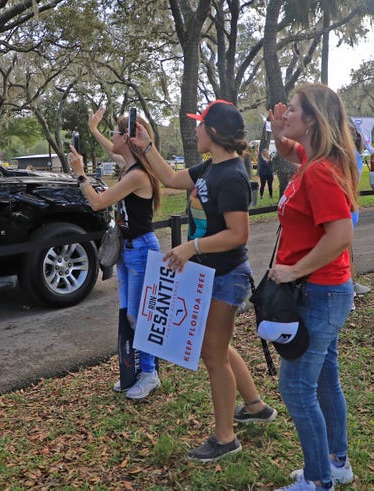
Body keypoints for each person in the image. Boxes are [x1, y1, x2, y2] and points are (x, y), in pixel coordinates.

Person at [131, 100, 277, 462]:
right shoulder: (212, 168)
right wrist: (146, 145)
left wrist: (190, 247)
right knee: (216, 347)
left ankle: (225, 438)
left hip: (227, 275)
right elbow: (168, 177)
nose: (195, 130)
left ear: (212, 131)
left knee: (213, 354)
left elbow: (238, 234)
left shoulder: (231, 175)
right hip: (210, 273)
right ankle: (255, 406)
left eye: (199, 125)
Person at [268, 84, 358, 490]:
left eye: (294, 110)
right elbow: (286, 149)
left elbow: (339, 235)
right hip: (326, 291)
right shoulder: (312, 158)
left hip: (319, 292)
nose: (287, 113)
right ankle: (337, 462)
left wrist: (293, 270)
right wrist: (276, 129)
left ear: (312, 121)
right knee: (324, 379)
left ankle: (320, 481)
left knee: (296, 387)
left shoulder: (321, 171)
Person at [71, 108, 162, 400]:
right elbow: (112, 149)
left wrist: (81, 175)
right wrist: (94, 128)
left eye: (114, 131)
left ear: (128, 137)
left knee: (139, 316)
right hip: (127, 252)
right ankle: (133, 371)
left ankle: (150, 373)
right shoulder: (128, 165)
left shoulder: (137, 175)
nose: (111, 137)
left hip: (142, 251)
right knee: (128, 314)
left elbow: (98, 203)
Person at [348, 125, 370, 297]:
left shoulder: (351, 156)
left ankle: (350, 285)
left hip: (347, 207)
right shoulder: (352, 155)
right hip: (348, 207)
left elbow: (349, 182)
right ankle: (351, 284)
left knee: (344, 249)